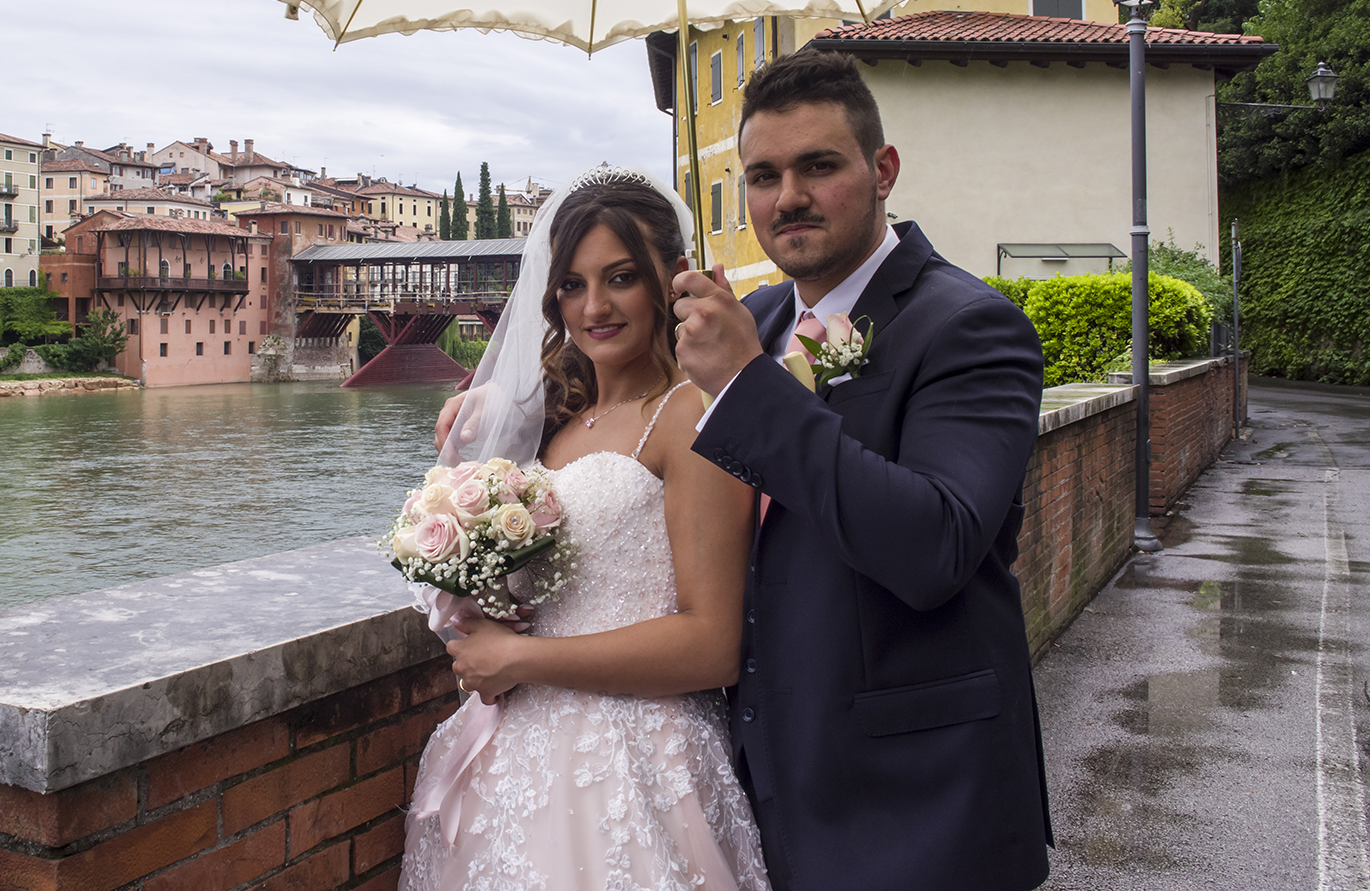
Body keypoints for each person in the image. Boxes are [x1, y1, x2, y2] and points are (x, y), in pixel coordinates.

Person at [670, 48, 1053, 891]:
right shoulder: (754, 318)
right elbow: (639, 433)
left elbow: (935, 546)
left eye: (819, 166)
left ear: (883, 170)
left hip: (918, 805)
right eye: (763, 175)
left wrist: (746, 384)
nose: (788, 198)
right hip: (761, 785)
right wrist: (503, 413)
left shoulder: (971, 328)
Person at [405, 167, 770, 891]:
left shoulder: (693, 414)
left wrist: (520, 660)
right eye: (571, 285)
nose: (593, 306)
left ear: (673, 278)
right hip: (515, 760)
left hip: (634, 762)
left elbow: (711, 646)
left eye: (621, 277)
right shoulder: (554, 423)